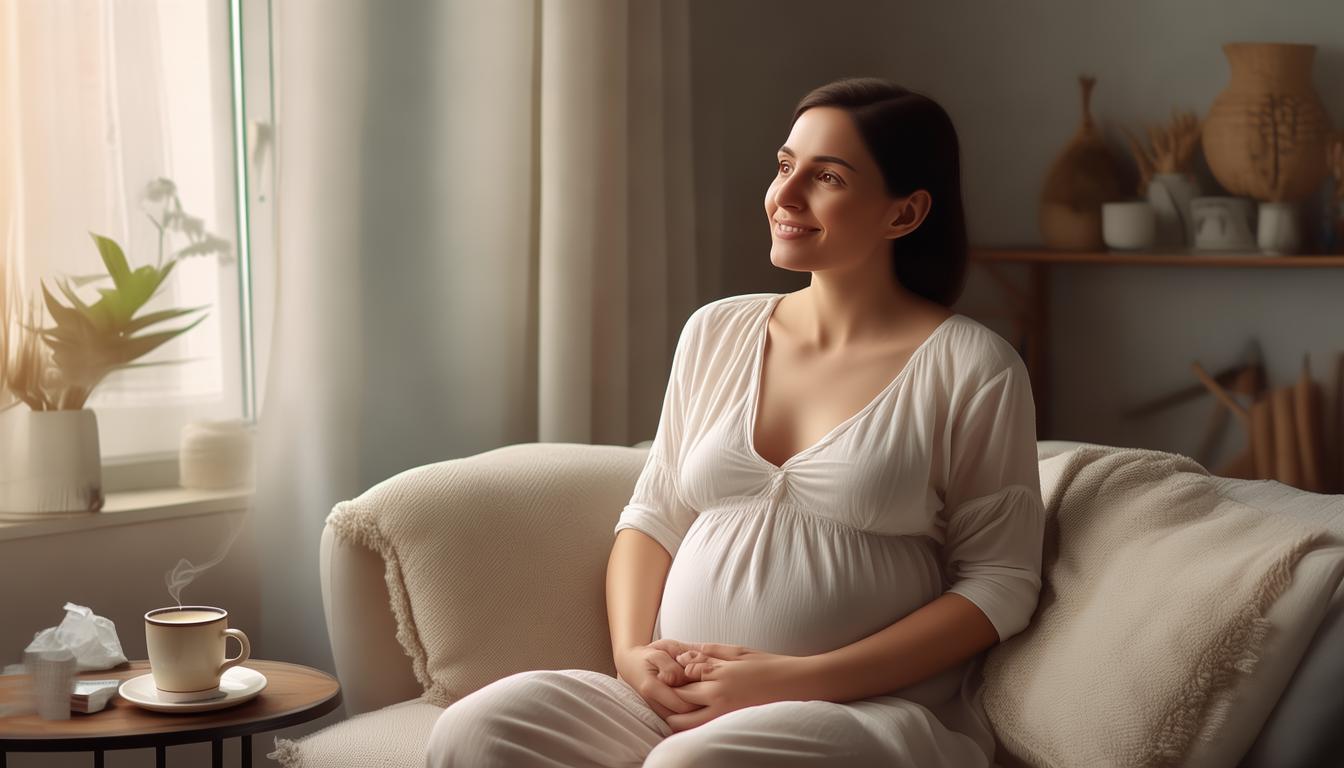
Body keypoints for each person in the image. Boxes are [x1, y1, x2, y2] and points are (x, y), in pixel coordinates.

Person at [427, 77, 1045, 767]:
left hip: (857, 716)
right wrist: (635, 659)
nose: (785, 196)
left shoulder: (973, 367)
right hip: (676, 704)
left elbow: (999, 584)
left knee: (690, 766)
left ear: (903, 213)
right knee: (476, 729)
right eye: (785, 166)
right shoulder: (716, 331)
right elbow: (653, 516)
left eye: (827, 177)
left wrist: (795, 678)